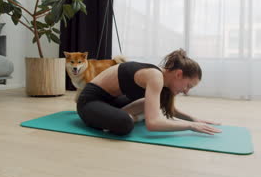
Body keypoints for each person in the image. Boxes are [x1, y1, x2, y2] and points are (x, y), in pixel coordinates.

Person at [76, 49, 222, 136]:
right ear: (178, 74)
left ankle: (117, 114)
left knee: (152, 104)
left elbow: (170, 109)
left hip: (110, 101)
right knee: (125, 123)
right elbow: (153, 124)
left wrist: (194, 119)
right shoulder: (155, 76)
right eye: (188, 85)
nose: (186, 91)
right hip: (89, 101)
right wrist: (190, 126)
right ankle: (122, 116)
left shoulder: (163, 80)